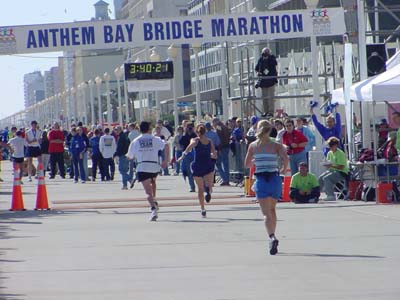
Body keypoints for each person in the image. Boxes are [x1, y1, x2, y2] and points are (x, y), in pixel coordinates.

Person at [244, 120, 288, 255]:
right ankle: (273, 234)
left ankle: (271, 236)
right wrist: (283, 169)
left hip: (261, 180)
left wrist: (255, 161)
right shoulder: (276, 145)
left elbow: (246, 164)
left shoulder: (253, 145)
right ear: (270, 131)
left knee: (265, 213)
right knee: (272, 209)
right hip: (274, 179)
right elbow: (286, 159)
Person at [126, 121, 169, 221]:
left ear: (139, 129)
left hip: (142, 166)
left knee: (147, 191)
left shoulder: (135, 141)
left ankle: (153, 208)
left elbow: (130, 156)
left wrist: (129, 157)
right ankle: (154, 200)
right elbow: (166, 145)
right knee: (153, 182)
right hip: (154, 166)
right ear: (149, 129)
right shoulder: (155, 139)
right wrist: (166, 160)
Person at [178, 124, 217, 217]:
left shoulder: (195, 141)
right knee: (210, 184)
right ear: (205, 132)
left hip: (198, 166)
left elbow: (187, 149)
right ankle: (208, 192)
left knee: (200, 188)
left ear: (197, 132)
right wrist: (209, 155)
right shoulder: (209, 141)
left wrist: (181, 157)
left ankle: (202, 208)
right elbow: (215, 155)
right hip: (208, 164)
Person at [319, 137, 349, 201]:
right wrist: (325, 164)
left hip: (341, 172)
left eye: (332, 146)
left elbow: (342, 167)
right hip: (332, 171)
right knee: (320, 177)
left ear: (336, 145)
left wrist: (331, 165)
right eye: (330, 146)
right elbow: (328, 165)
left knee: (326, 178)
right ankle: (316, 194)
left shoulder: (340, 153)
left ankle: (331, 196)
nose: (330, 148)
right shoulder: (329, 153)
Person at [255, 47, 278, 115]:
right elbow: (256, 69)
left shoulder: (272, 58)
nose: (265, 54)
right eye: (264, 52)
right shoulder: (261, 60)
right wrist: (258, 73)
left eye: (267, 52)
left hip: (271, 81)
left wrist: (267, 59)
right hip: (264, 82)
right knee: (264, 98)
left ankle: (271, 112)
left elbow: (275, 66)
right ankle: (266, 111)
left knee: (271, 98)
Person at [212, 117, 231, 186]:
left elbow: (220, 138)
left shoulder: (219, 127)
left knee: (218, 163)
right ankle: (226, 179)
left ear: (215, 122)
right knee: (225, 164)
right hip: (226, 146)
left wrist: (219, 148)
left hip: (222, 147)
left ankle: (225, 179)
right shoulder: (224, 126)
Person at [179, 123, 197, 192]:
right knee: (189, 172)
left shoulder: (195, 135)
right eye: (188, 127)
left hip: (194, 154)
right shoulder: (184, 136)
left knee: (197, 170)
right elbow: (180, 143)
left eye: (190, 128)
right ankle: (192, 187)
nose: (189, 129)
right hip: (186, 155)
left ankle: (202, 186)